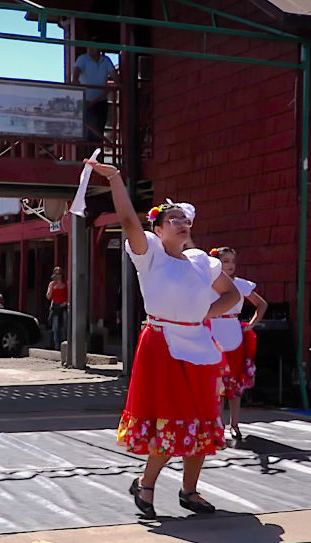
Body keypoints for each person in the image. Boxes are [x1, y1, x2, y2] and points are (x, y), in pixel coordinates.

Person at [87, 158, 240, 518]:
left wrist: (205, 314)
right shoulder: (150, 255)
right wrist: (116, 180)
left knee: (203, 419)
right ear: (157, 227)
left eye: (186, 220)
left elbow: (231, 296)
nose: (183, 225)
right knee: (172, 420)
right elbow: (127, 221)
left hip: (199, 345)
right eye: (174, 220)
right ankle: (147, 485)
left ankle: (189, 491)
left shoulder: (202, 261)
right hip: (162, 344)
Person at [207, 247, 267, 443]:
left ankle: (234, 424)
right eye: (225, 261)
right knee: (214, 384)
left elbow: (261, 304)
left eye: (232, 261)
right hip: (212, 332)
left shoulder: (241, 285)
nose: (230, 265)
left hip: (233, 333)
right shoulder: (206, 284)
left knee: (234, 383)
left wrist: (250, 325)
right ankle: (216, 425)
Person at [73, 47, 118, 143]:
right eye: (88, 46)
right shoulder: (83, 59)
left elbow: (115, 76)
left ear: (99, 48)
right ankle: (87, 156)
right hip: (85, 101)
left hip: (100, 100)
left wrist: (117, 84)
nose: (90, 49)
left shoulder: (105, 60)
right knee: (87, 131)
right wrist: (75, 82)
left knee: (99, 129)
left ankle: (97, 156)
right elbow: (76, 72)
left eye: (92, 46)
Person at [46, 266, 69, 356]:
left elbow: (69, 295)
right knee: (55, 327)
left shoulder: (65, 284)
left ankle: (65, 345)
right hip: (55, 306)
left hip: (63, 306)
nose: (58, 275)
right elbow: (48, 296)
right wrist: (51, 288)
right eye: (56, 274)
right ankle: (57, 346)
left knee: (65, 326)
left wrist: (66, 302)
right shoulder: (52, 284)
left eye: (59, 273)